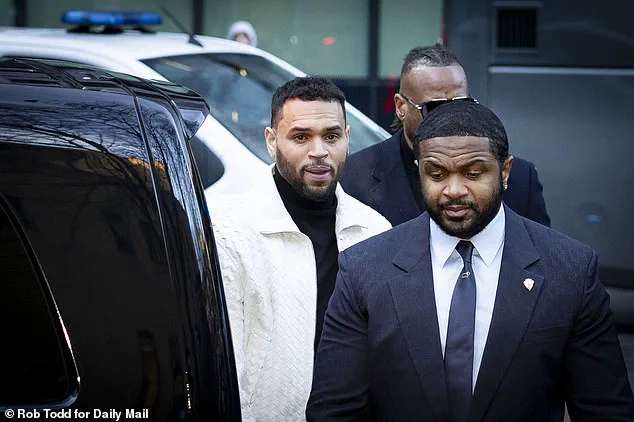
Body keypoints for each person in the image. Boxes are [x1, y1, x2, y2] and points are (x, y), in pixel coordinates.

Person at [307, 100, 634, 421]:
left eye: (473, 173)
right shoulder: (363, 269)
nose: (453, 190)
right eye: (436, 174)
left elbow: (605, 409)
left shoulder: (571, 269)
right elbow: (334, 411)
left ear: (505, 171)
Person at [213, 76, 391, 421]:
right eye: (300, 137)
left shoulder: (375, 231)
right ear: (271, 140)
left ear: (347, 139)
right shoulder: (231, 235)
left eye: (331, 137)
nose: (319, 151)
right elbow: (225, 366)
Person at [341, 44, 551, 227]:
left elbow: (541, 252)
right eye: (435, 107)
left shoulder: (519, 177)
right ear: (400, 106)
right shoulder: (353, 177)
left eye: (461, 103)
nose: (451, 115)